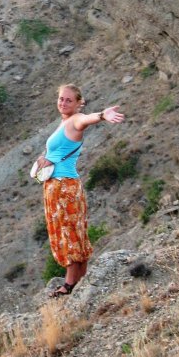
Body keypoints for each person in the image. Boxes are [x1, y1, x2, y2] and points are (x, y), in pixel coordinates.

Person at [34, 84, 125, 298]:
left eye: (69, 100)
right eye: (61, 99)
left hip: (64, 187)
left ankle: (69, 283)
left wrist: (102, 115)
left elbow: (86, 119)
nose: (63, 103)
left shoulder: (76, 119)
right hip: (58, 185)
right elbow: (59, 151)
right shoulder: (64, 123)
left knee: (68, 232)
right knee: (72, 230)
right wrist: (44, 159)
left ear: (78, 103)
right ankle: (80, 278)